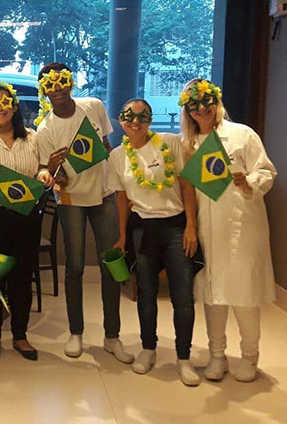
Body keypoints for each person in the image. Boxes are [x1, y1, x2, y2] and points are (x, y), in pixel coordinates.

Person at [179, 79, 277, 382]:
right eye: (194, 105)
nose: (201, 109)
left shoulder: (241, 134)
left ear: (216, 101)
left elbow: (266, 170)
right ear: (187, 110)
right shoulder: (188, 144)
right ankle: (217, 355)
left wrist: (249, 182)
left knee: (244, 292)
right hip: (206, 231)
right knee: (212, 293)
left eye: (206, 101)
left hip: (241, 226)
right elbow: (185, 188)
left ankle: (249, 356)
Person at [35, 62, 132, 363]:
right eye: (50, 84)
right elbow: (49, 173)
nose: (57, 88)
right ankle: (75, 332)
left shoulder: (93, 106)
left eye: (61, 81)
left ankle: (112, 336)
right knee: (74, 267)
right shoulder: (45, 129)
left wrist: (117, 182)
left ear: (70, 82)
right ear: (44, 90)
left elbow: (106, 145)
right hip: (71, 200)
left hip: (104, 195)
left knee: (110, 265)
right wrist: (55, 172)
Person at [108, 99, 200, 386]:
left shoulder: (169, 142)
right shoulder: (118, 156)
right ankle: (148, 348)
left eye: (142, 116)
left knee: (182, 296)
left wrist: (191, 225)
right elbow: (121, 197)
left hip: (175, 226)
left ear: (149, 119)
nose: (135, 122)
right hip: (142, 229)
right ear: (121, 120)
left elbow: (186, 184)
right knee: (146, 293)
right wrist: (123, 235)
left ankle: (183, 358)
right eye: (129, 117)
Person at [0, 81, 55, 361]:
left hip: (23, 216)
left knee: (22, 278)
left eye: (4, 102)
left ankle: (20, 335)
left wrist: (43, 174)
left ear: (14, 106)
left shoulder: (31, 137)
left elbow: (41, 167)